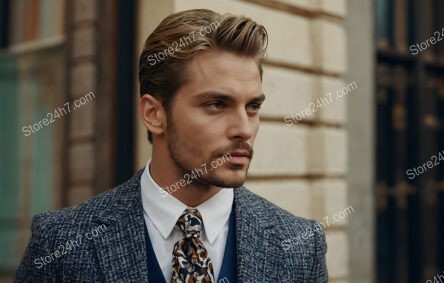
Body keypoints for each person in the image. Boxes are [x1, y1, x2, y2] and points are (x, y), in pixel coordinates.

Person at [15, 9, 328, 282]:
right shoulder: (61, 243)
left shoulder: (301, 246)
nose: (244, 129)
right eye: (217, 104)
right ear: (154, 114)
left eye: (253, 107)